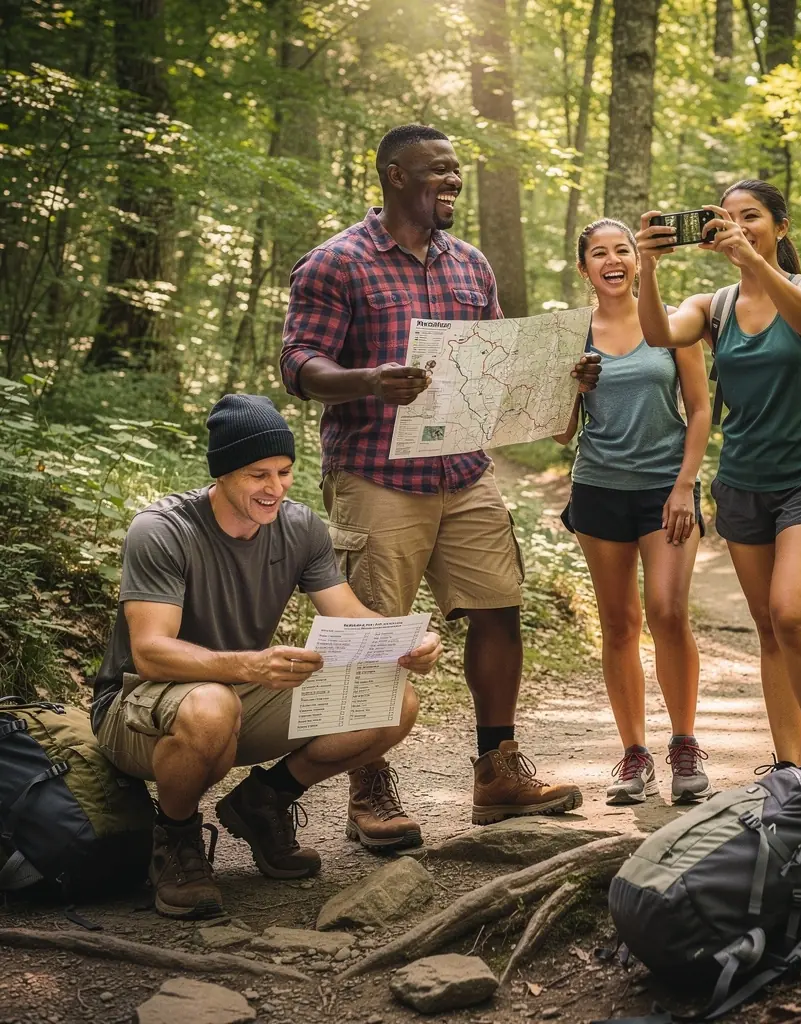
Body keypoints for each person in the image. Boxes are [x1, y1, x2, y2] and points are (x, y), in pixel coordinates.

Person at [280, 124, 601, 841]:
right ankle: (369, 788)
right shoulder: (338, 263)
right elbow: (299, 365)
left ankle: (497, 772)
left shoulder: (471, 266)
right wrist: (369, 380)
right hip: (374, 474)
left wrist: (562, 380)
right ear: (395, 176)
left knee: (498, 606)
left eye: (457, 172)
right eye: (438, 172)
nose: (453, 182)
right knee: (370, 634)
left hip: (464, 472)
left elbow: (497, 368)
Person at [90, 394, 443, 920]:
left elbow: (346, 610)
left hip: (236, 693)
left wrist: (408, 641)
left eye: (283, 472)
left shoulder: (300, 527)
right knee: (211, 707)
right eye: (258, 474)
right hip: (138, 704)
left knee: (396, 701)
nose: (274, 488)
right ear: (224, 473)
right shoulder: (162, 530)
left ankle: (264, 802)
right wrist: (249, 666)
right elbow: (151, 653)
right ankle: (176, 837)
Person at [636, 179, 801, 770]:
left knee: (793, 612)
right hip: (743, 482)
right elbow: (658, 334)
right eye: (725, 217)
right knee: (768, 627)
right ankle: (788, 767)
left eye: (750, 216)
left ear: (780, 227)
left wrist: (753, 259)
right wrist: (648, 268)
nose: (736, 225)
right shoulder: (715, 306)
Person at [554, 219, 712, 805]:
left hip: (666, 489)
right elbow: (560, 432)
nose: (613, 260)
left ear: (638, 260)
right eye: (599, 253)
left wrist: (684, 486)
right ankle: (634, 754)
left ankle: (685, 744)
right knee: (619, 624)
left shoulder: (671, 324)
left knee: (668, 611)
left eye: (622, 250)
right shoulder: (574, 333)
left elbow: (699, 410)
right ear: (584, 268)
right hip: (597, 488)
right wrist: (572, 386)